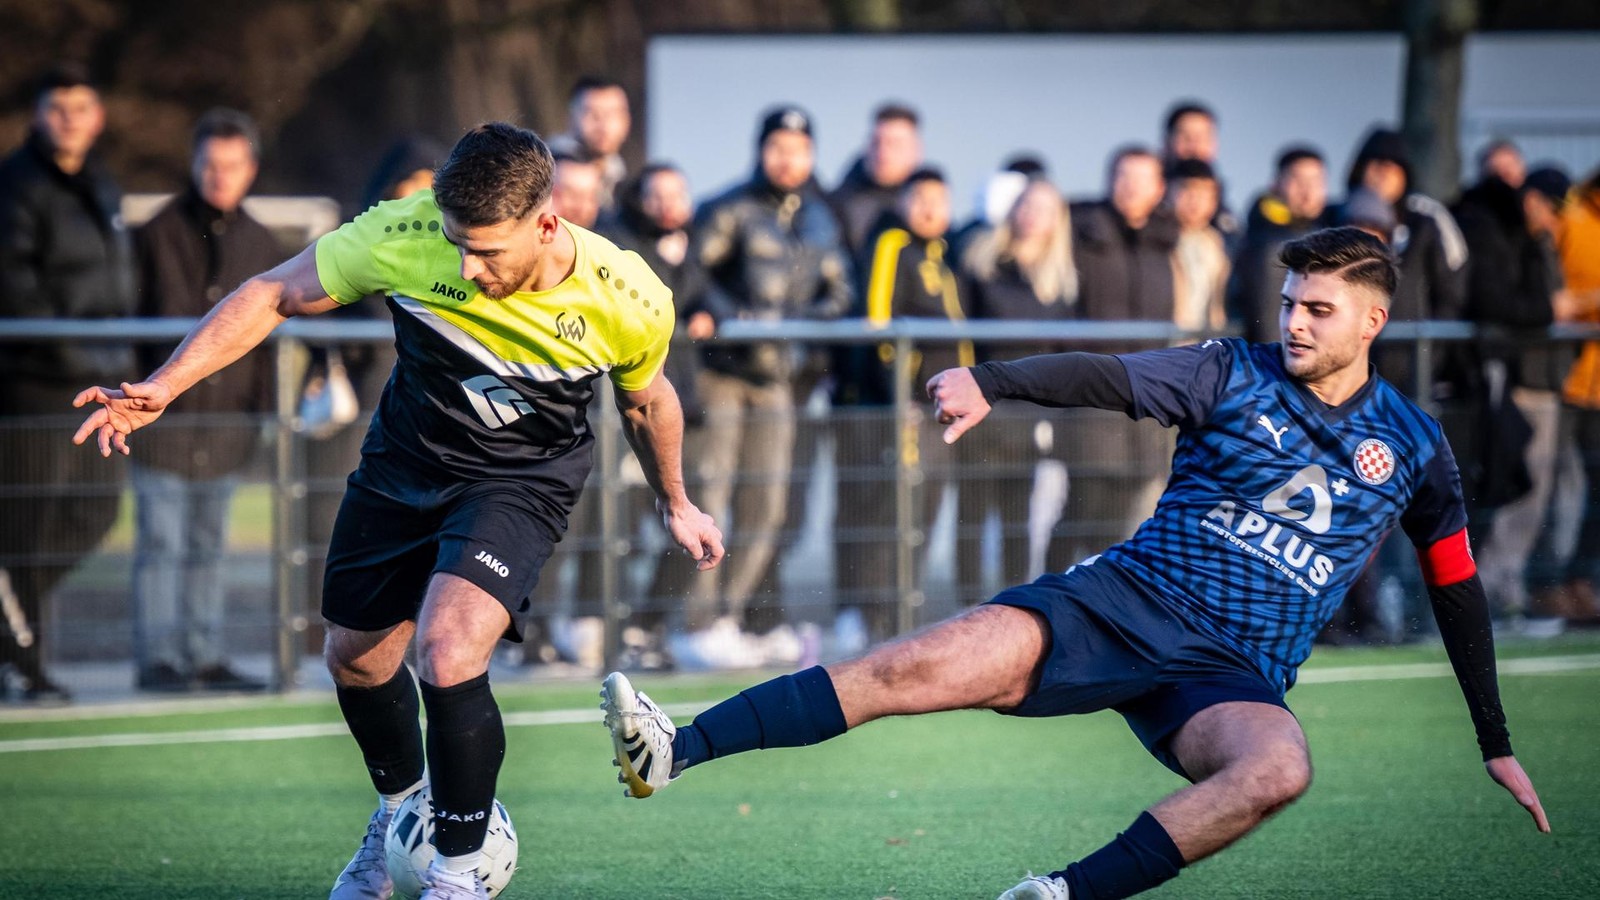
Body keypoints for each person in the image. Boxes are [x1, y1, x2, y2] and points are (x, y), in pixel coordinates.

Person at [600, 227, 1548, 900]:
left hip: (1229, 675)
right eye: (1291, 302)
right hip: (1121, 603)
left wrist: (1494, 739)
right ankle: (673, 750)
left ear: (1373, 321)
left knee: (1277, 770)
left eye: (1319, 309)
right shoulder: (1230, 369)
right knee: (904, 668)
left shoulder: (1417, 447)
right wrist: (993, 380)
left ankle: (1058, 896)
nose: (1295, 321)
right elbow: (1108, 376)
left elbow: (1455, 585)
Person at [72, 122, 723, 900]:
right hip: (403, 464)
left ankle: (457, 869)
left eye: (488, 251)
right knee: (355, 657)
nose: (468, 267)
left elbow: (648, 402)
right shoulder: (404, 230)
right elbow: (274, 291)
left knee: (447, 653)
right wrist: (166, 386)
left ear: (547, 224)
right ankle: (398, 818)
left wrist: (674, 498)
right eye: (457, 245)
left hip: (519, 482)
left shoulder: (628, 296)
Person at [688, 104, 851, 653]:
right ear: (761, 150)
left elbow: (841, 295)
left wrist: (791, 327)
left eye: (799, 150)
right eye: (778, 147)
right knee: (709, 496)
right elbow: (694, 273)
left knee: (769, 505)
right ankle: (694, 625)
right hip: (722, 375)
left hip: (780, 379)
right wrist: (734, 321)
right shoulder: (728, 207)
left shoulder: (822, 220)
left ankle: (727, 620)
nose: (788, 159)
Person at [129, 108, 282, 693]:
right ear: (193, 165)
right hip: (161, 422)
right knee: (161, 542)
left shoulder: (264, 241)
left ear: (251, 169)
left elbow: (271, 334)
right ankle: (159, 659)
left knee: (208, 546)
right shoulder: (154, 234)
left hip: (228, 424)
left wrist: (263, 409)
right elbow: (129, 320)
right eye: (210, 165)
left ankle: (205, 653)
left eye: (232, 166)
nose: (220, 177)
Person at [0, 64, 135, 703]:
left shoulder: (102, 184)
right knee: (25, 528)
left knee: (96, 510)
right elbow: (16, 289)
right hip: (38, 382)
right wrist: (76, 355)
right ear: (39, 115)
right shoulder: (16, 185)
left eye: (82, 108)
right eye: (58, 108)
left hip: (98, 382)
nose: (71, 120)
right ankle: (23, 666)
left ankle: (9, 626)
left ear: (97, 115)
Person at [832, 166, 969, 646]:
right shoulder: (893, 244)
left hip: (946, 412)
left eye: (940, 198)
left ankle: (900, 615)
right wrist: (902, 394)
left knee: (925, 508)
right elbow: (878, 321)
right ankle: (872, 618)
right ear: (905, 202)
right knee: (892, 509)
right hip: (910, 406)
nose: (930, 208)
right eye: (921, 198)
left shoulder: (943, 255)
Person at [601, 163, 727, 668]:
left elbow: (705, 296)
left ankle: (645, 626)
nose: (671, 204)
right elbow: (652, 301)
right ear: (639, 199)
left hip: (680, 407)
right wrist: (671, 263)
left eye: (680, 192)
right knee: (620, 528)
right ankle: (607, 631)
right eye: (659, 195)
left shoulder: (685, 243)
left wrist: (711, 312)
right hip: (631, 409)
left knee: (694, 520)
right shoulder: (619, 241)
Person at [956, 177, 1076, 598]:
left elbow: (1062, 355)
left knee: (1017, 519)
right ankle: (964, 609)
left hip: (1031, 416)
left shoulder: (1061, 280)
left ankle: (1008, 608)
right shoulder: (981, 261)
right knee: (971, 516)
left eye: (1043, 208)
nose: (1030, 214)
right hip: (981, 409)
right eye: (1025, 203)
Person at [1228, 145, 1329, 342]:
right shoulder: (1270, 245)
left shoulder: (1321, 233)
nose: (1307, 191)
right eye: (1297, 180)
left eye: (1316, 181)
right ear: (1276, 184)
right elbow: (1271, 326)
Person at [1166, 158, 1229, 334]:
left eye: (1204, 193)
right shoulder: (1158, 240)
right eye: (1187, 191)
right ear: (1168, 191)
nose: (1195, 201)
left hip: (1204, 346)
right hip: (1167, 344)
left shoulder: (1218, 243)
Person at [546, 76, 631, 207]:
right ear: (570, 118)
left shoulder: (620, 178)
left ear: (626, 121)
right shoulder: (545, 170)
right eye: (592, 113)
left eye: (612, 114)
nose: (603, 125)